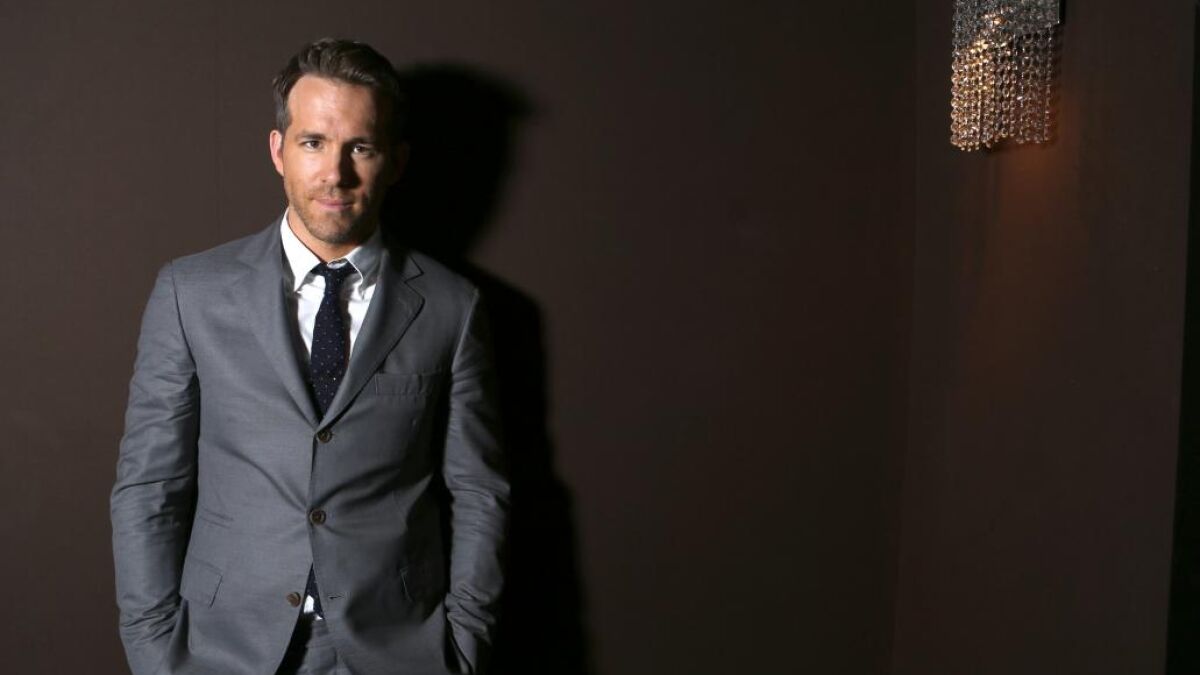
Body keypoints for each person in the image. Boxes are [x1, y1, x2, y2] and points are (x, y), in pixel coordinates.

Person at [110, 38, 509, 675]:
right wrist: (153, 649)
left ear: (396, 161)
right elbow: (149, 485)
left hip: (396, 650)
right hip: (222, 648)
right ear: (279, 150)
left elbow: (478, 490)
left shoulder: (452, 307)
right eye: (314, 142)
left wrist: (462, 642)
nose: (335, 174)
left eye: (361, 147)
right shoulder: (191, 292)